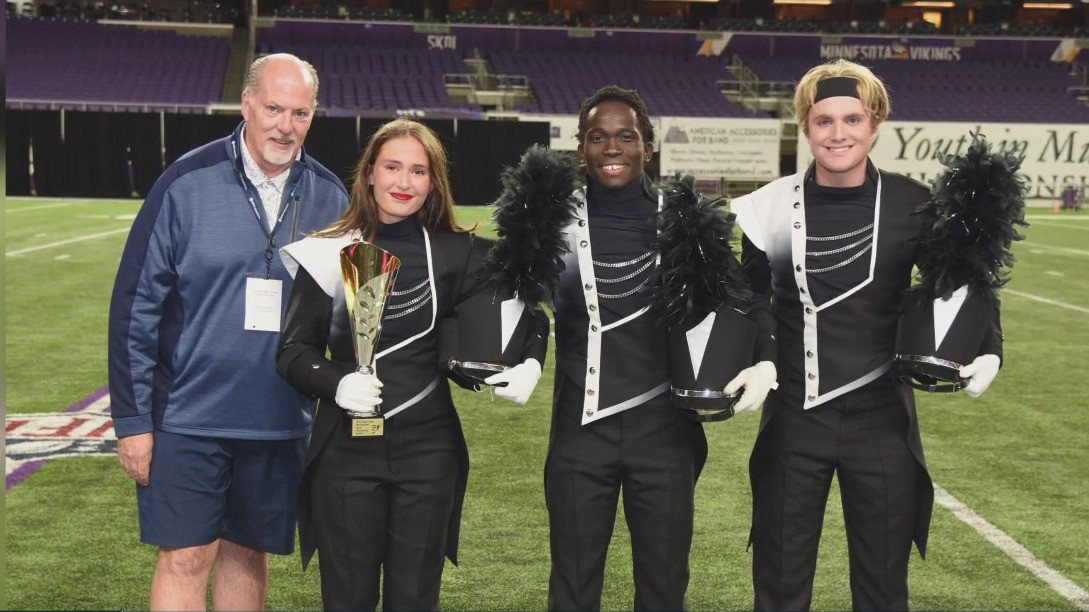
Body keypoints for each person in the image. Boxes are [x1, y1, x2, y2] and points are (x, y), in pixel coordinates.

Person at [732, 59, 1003, 611]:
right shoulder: (768, 206)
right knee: (779, 585)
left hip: (883, 420)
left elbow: (962, 279)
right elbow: (748, 299)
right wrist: (759, 358)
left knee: (882, 588)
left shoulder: (915, 204)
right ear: (805, 128)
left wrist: (989, 347)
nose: (839, 133)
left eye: (853, 119)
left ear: (875, 125)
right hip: (793, 418)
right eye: (824, 120)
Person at [276, 118, 549, 611]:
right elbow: (292, 353)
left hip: (429, 453)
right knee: (347, 599)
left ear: (434, 181)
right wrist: (336, 383)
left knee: (415, 598)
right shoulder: (327, 251)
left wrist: (531, 360)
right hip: (346, 455)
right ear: (369, 175)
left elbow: (527, 314)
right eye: (393, 167)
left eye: (418, 171)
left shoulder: (460, 252)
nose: (404, 183)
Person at [108, 53, 348, 610]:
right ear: (245, 105)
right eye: (273, 108)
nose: (286, 126)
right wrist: (132, 421)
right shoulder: (185, 182)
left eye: (301, 113)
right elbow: (135, 308)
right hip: (187, 417)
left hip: (279, 419)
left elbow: (348, 318)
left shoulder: (332, 197)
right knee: (186, 557)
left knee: (247, 555)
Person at [545, 85, 777, 610]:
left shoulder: (685, 218)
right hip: (579, 437)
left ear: (648, 147)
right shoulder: (551, 219)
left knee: (665, 584)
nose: (611, 148)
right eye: (597, 137)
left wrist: (766, 359)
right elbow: (509, 297)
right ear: (580, 147)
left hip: (667, 435)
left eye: (626, 136)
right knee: (573, 586)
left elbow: (746, 298)